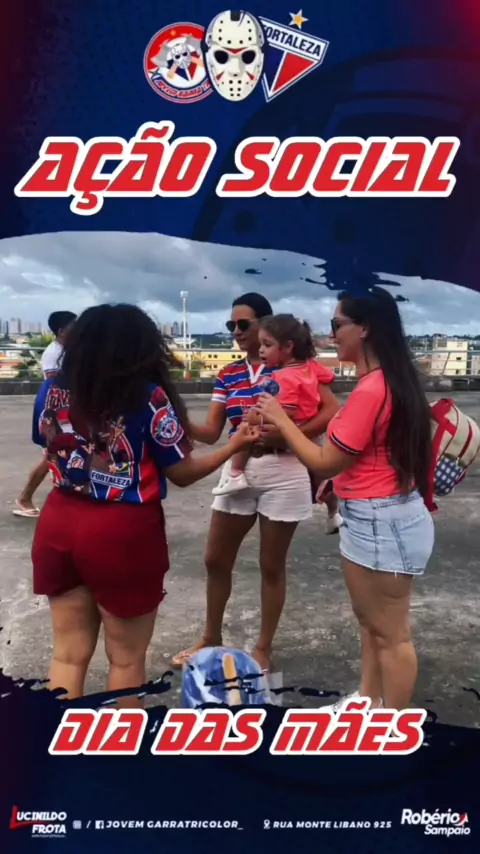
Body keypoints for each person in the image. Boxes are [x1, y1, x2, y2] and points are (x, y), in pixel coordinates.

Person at [31, 304, 259, 706]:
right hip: (122, 532)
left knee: (66, 654)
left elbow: (47, 443)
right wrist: (234, 445)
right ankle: (124, 744)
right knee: (125, 661)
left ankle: (56, 740)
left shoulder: (52, 389)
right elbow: (182, 472)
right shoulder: (147, 396)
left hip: (58, 521)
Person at [256, 286, 434, 709]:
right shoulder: (389, 382)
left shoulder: (372, 391)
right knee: (371, 623)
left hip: (380, 521)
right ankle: (367, 701)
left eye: (337, 325)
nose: (331, 334)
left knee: (391, 634)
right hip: (376, 516)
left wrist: (281, 420)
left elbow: (326, 460)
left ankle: (392, 726)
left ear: (364, 328)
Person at [171, 293, 341, 673]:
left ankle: (264, 647)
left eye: (243, 324)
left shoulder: (298, 366)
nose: (235, 331)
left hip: (285, 469)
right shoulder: (229, 374)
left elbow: (331, 410)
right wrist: (176, 417)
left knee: (271, 566)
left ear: (266, 325)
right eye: (230, 325)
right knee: (215, 559)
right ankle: (210, 637)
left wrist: (288, 432)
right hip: (241, 467)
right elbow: (212, 431)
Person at [212, 314, 341, 507]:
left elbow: (284, 411)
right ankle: (322, 485)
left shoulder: (284, 376)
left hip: (289, 430)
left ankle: (236, 473)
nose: (261, 350)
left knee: (245, 430)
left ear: (288, 347)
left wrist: (255, 417)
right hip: (308, 427)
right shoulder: (310, 367)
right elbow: (328, 376)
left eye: (267, 345)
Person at [13, 311, 77, 518]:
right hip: (54, 407)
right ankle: (25, 498)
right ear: (62, 330)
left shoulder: (68, 350)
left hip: (65, 406)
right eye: (74, 325)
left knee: (62, 454)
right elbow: (54, 385)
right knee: (53, 454)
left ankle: (62, 499)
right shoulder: (53, 353)